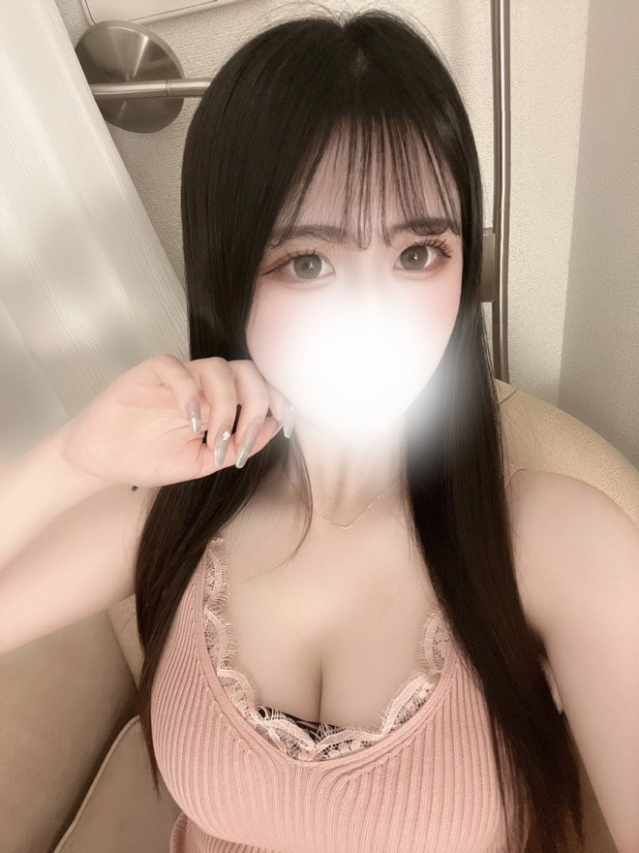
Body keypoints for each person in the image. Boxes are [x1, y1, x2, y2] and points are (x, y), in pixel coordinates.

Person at [0, 9, 588, 853]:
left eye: (417, 253)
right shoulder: (170, 516)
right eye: (308, 262)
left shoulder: (558, 539)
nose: (375, 314)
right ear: (228, 279)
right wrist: (73, 458)